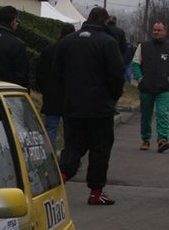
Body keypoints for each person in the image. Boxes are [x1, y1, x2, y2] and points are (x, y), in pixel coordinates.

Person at [53, 6, 124, 205]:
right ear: (105, 21)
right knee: (100, 149)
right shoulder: (108, 43)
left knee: (73, 147)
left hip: (73, 106)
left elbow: (56, 72)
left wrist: (65, 96)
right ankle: (95, 192)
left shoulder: (67, 42)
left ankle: (60, 181)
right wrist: (113, 98)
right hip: (100, 107)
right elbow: (116, 75)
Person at [36, 22, 76, 152]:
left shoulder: (48, 50)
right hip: (70, 97)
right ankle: (69, 158)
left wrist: (44, 90)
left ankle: (51, 158)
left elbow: (39, 73)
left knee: (51, 129)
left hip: (51, 96)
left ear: (60, 34)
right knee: (70, 131)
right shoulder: (75, 52)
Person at [131, 22, 169, 153]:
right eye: (154, 30)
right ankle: (145, 139)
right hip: (146, 87)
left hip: (164, 88)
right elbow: (135, 64)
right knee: (146, 115)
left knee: (162, 113)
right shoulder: (144, 46)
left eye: (159, 30)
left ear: (165, 32)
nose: (156, 32)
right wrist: (140, 79)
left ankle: (162, 140)